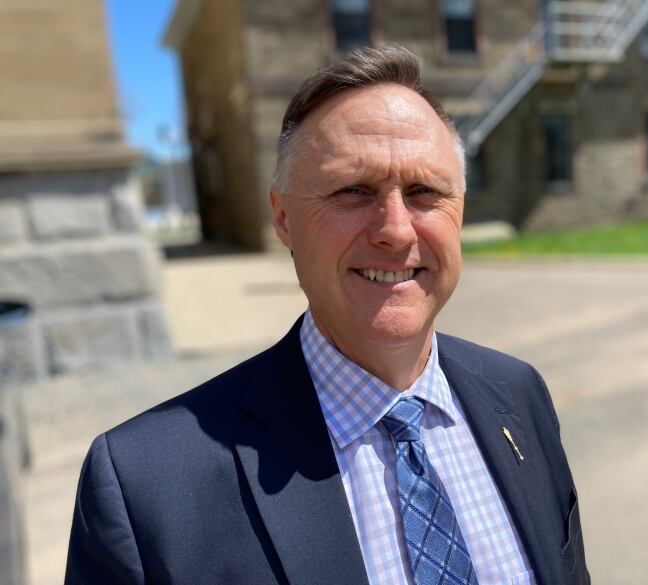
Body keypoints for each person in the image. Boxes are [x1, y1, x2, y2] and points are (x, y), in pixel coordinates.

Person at [65, 47, 589, 585]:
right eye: (353, 190)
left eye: (424, 192)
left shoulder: (519, 394)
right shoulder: (146, 484)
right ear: (284, 218)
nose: (397, 229)